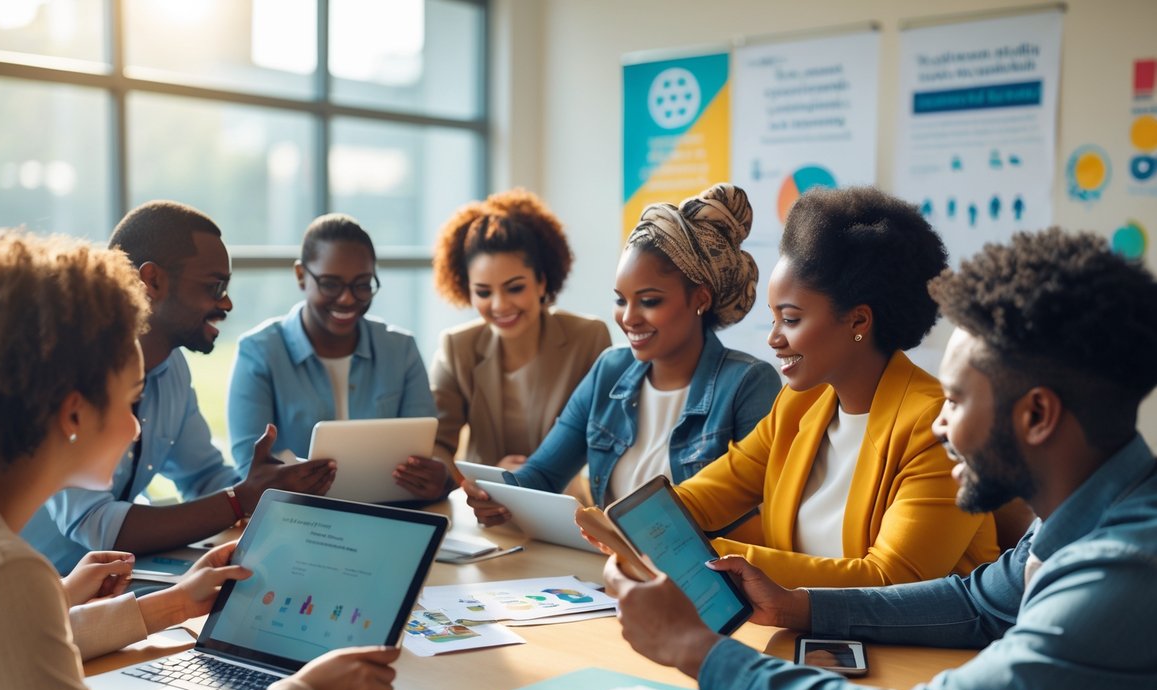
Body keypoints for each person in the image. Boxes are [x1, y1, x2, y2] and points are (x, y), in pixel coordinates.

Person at [604, 227, 1157, 690]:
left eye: (956, 400)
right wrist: (797, 606)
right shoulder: (1078, 520)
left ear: (1037, 415)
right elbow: (976, 602)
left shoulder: (1124, 572)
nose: (941, 424)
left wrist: (697, 649)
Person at [0, 231, 400, 690]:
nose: (137, 429)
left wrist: (174, 604)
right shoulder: (7, 574)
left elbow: (16, 648)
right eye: (131, 401)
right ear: (73, 412)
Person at [671, 187, 998, 587]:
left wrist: (709, 555)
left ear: (859, 321)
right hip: (805, 635)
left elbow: (888, 580)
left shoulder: (937, 427)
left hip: (916, 648)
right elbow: (699, 500)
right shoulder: (797, 405)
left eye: (790, 320)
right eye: (773, 319)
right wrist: (633, 525)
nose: (773, 339)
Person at [21, 200, 335, 573]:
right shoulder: (71, 374)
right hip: (34, 592)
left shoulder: (171, 368)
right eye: (214, 286)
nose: (227, 302)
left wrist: (265, 490)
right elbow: (97, 526)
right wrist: (241, 498)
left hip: (111, 583)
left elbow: (202, 476)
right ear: (151, 281)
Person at [467, 183, 780, 522]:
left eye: (649, 301)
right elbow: (542, 474)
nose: (628, 318)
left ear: (700, 300)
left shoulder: (747, 383)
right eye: (620, 299)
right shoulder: (610, 370)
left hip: (698, 570)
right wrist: (495, 495)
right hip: (611, 566)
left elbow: (760, 511)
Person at [228, 213, 444, 499]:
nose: (347, 298)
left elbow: (424, 455)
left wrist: (439, 478)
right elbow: (250, 470)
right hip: (298, 517)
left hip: (391, 512)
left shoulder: (400, 350)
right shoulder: (259, 353)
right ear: (301, 276)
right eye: (331, 284)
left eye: (362, 284)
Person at [429, 189, 610, 478]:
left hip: (569, 505)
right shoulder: (456, 347)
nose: (500, 305)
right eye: (483, 292)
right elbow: (435, 445)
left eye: (515, 288)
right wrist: (487, 477)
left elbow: (606, 440)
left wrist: (535, 476)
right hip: (484, 506)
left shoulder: (588, 338)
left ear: (541, 282)